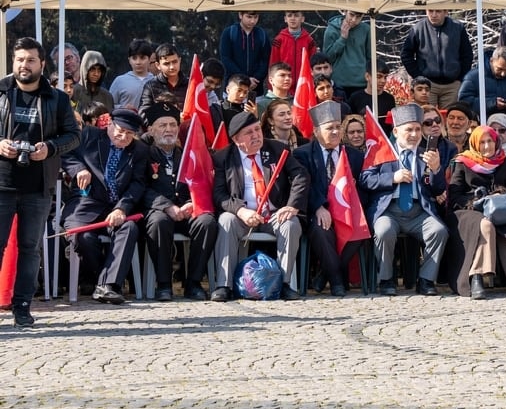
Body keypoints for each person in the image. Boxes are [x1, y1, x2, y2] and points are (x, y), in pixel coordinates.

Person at [0, 37, 81, 326]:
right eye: (20, 59)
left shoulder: (57, 98)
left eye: (31, 59)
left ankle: (22, 305)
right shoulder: (1, 91)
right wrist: (0, 145)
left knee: (30, 247)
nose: (24, 65)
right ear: (14, 61)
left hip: (38, 185)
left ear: (42, 64)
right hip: (3, 183)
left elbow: (74, 135)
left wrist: (50, 148)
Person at [211, 112, 308, 302]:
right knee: (226, 220)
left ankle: (284, 284)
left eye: (257, 129)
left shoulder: (278, 149)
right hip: (243, 215)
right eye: (249, 133)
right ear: (236, 139)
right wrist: (241, 210)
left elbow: (300, 176)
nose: (256, 135)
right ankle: (225, 285)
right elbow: (220, 194)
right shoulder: (223, 157)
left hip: (273, 214)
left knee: (291, 223)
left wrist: (292, 206)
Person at [359, 104, 448, 296]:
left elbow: (438, 189)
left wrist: (436, 170)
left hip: (419, 210)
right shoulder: (382, 151)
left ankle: (425, 280)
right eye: (409, 130)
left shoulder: (427, 153)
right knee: (383, 231)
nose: (415, 134)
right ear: (396, 131)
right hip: (389, 210)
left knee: (439, 230)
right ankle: (386, 279)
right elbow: (365, 180)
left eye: (417, 129)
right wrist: (392, 178)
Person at [62, 109, 148, 304]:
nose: (124, 136)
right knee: (81, 235)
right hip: (87, 202)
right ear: (110, 124)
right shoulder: (88, 135)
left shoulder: (140, 150)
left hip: (116, 205)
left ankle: (109, 286)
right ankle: (102, 279)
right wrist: (79, 169)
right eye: (121, 130)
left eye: (130, 134)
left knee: (129, 228)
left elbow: (138, 184)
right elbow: (65, 153)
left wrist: (122, 208)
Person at [447, 125, 506, 299]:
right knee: (485, 224)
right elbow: (454, 197)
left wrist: (501, 192)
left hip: (499, 209)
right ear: (474, 143)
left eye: (490, 141)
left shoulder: (505, 162)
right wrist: (477, 202)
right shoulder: (463, 163)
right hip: (469, 210)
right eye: (482, 142)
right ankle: (477, 276)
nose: (486, 146)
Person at [141, 102, 219, 301]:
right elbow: (140, 187)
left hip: (187, 208)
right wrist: (166, 206)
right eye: (163, 125)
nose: (169, 129)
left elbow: (203, 181)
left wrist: (194, 202)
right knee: (159, 222)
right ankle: (164, 284)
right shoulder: (143, 154)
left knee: (207, 222)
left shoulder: (188, 153)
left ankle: (193, 283)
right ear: (151, 129)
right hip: (158, 210)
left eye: (173, 125)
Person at [292, 101, 366, 297]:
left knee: (361, 229)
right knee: (321, 229)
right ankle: (336, 281)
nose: (335, 132)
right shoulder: (302, 154)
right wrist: (318, 207)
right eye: (329, 128)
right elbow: (304, 185)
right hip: (317, 210)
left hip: (346, 211)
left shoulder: (354, 156)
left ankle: (324, 275)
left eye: (337, 127)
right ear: (316, 131)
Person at [400, 9, 474, 107]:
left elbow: (467, 54)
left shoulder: (458, 28)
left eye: (438, 11)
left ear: (446, 12)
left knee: (450, 119)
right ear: (426, 11)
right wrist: (418, 76)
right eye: (430, 11)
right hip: (427, 84)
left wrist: (460, 78)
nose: (434, 15)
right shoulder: (418, 28)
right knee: (427, 118)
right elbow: (406, 54)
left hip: (452, 84)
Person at [458, 45, 506, 116]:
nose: (503, 74)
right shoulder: (473, 77)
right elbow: (464, 102)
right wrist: (492, 103)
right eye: (499, 69)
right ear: (491, 60)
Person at [323, 10, 370, 98]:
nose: (354, 19)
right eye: (351, 15)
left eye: (358, 17)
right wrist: (342, 39)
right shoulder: (332, 29)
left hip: (361, 83)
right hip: (339, 83)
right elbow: (327, 58)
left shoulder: (366, 29)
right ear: (345, 12)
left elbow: (370, 58)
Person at [218, 11, 270, 90]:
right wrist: (244, 79)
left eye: (255, 17)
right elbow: (226, 59)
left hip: (256, 88)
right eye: (249, 17)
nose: (252, 21)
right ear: (240, 15)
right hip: (234, 86)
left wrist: (256, 78)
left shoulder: (262, 34)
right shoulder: (229, 32)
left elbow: (266, 60)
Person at [269, 11, 317, 88]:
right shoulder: (279, 40)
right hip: (283, 85)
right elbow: (273, 63)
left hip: (303, 85)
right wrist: (272, 86)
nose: (293, 18)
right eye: (289, 15)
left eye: (296, 16)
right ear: (285, 19)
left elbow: (313, 64)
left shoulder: (309, 40)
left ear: (302, 19)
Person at [139, 44, 189, 118]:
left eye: (175, 62)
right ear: (158, 65)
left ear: (180, 60)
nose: (172, 67)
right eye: (166, 63)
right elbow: (143, 115)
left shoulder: (190, 85)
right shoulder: (151, 86)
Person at [347, 59, 396, 133]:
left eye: (385, 77)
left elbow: (390, 124)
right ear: (367, 76)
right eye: (378, 76)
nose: (383, 81)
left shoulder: (389, 99)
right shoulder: (356, 97)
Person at [110, 39, 155, 111]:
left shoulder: (156, 81)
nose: (138, 62)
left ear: (149, 59)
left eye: (142, 58)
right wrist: (123, 107)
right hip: (125, 120)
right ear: (129, 60)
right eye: (134, 58)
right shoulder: (120, 81)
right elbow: (109, 105)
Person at [72, 50, 115, 116]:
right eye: (92, 69)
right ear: (85, 70)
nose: (96, 74)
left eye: (99, 70)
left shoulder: (106, 96)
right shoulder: (74, 92)